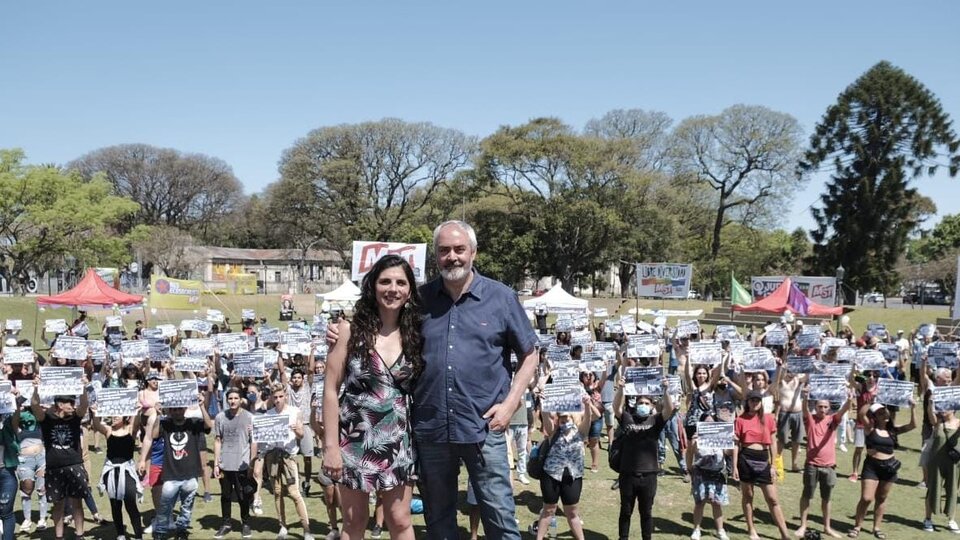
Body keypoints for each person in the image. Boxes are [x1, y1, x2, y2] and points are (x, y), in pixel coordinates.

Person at [326, 221, 539, 540]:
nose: (452, 257)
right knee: (438, 520)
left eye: (459, 249)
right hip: (430, 430)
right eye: (444, 251)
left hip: (483, 427)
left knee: (499, 516)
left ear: (473, 252)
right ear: (435, 257)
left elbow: (531, 354)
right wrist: (338, 331)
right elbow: (379, 319)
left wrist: (511, 404)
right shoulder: (419, 303)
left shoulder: (501, 297)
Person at [322, 254, 420, 540]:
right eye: (385, 281)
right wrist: (330, 447)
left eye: (401, 282)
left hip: (398, 441)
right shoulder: (348, 333)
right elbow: (330, 390)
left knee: (400, 520)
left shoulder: (416, 333)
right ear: (372, 286)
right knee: (354, 522)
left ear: (410, 290)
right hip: (354, 442)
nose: (393, 288)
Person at [139, 391, 214, 540]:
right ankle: (160, 533)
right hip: (171, 475)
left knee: (187, 507)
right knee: (165, 507)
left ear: (185, 408)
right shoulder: (165, 424)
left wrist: (202, 407)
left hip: (190, 473)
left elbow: (208, 426)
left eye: (179, 408)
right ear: (170, 410)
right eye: (173, 409)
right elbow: (154, 435)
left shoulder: (193, 423)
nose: (177, 412)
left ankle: (182, 530)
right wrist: (159, 415)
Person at [533, 394, 599, 540]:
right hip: (551, 475)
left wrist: (587, 404)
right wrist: (544, 404)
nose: (564, 421)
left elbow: (589, 419)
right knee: (548, 510)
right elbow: (546, 419)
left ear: (572, 417)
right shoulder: (553, 432)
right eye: (561, 418)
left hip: (573, 476)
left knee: (572, 512)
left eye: (566, 418)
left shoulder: (580, 432)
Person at [31, 377, 90, 540]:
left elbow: (84, 405)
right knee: (58, 504)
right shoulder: (47, 419)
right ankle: (59, 537)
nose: (73, 406)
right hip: (54, 468)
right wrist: (36, 388)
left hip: (75, 465)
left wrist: (84, 387)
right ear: (60, 404)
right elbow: (35, 405)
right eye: (70, 403)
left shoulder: (75, 418)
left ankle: (80, 535)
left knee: (77, 503)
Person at [613, 379, 673, 540]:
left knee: (646, 512)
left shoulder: (655, 421)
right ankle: (623, 538)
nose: (643, 405)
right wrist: (621, 389)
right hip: (628, 474)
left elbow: (669, 409)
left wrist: (666, 390)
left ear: (652, 406)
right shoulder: (627, 418)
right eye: (641, 402)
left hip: (649, 475)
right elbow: (616, 408)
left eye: (647, 403)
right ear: (635, 404)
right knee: (625, 511)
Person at [849, 401, 916, 539]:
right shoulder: (870, 428)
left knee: (882, 498)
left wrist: (913, 408)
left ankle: (876, 527)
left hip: (889, 467)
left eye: (884, 412)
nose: (884, 414)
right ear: (874, 417)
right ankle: (857, 526)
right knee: (867, 498)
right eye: (880, 413)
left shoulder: (893, 430)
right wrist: (870, 400)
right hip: (872, 467)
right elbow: (861, 413)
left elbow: (912, 425)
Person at [732, 389, 791, 540]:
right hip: (745, 458)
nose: (755, 403)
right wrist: (734, 466)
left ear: (761, 402)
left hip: (764, 459)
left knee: (772, 499)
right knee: (748, 495)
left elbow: (773, 443)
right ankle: (751, 529)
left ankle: (785, 534)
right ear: (748, 402)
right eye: (752, 400)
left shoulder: (769, 418)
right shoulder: (740, 420)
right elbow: (736, 445)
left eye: (757, 400)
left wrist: (773, 464)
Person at [795, 387, 854, 539]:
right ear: (815, 407)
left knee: (826, 498)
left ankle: (827, 527)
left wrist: (849, 398)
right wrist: (806, 397)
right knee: (806, 495)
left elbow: (844, 409)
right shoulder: (810, 419)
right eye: (820, 406)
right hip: (812, 465)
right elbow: (804, 409)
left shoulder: (833, 420)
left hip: (829, 466)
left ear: (829, 409)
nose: (822, 409)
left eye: (825, 407)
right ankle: (803, 525)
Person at [261, 383, 313, 540]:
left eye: (280, 396)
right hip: (272, 456)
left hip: (288, 456)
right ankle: (282, 526)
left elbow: (301, 434)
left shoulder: (294, 412)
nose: (278, 400)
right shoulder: (267, 415)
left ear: (285, 396)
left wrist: (296, 430)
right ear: (271, 397)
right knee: (277, 492)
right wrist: (255, 431)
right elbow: (263, 438)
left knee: (294, 493)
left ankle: (306, 529)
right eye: (275, 397)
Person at [91, 405, 144, 540]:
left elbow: (136, 423)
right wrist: (95, 412)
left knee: (130, 504)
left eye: (117, 415)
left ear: (125, 417)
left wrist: (137, 411)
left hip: (127, 471)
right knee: (115, 504)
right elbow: (97, 425)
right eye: (113, 415)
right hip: (111, 471)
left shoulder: (130, 429)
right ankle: (120, 534)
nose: (114, 417)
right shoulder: (109, 431)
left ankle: (138, 536)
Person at [213, 387, 255, 540]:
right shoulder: (219, 417)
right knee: (225, 495)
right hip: (225, 463)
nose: (232, 401)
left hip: (241, 464)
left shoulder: (249, 417)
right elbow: (217, 440)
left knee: (243, 495)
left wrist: (252, 463)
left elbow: (253, 442)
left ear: (241, 400)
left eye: (236, 398)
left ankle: (246, 523)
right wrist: (216, 464)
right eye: (230, 398)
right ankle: (226, 523)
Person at [922, 395, 960, 533]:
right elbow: (930, 414)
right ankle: (928, 519)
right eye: (941, 406)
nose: (943, 409)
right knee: (933, 489)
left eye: (947, 407)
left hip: (954, 462)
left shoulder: (958, 423)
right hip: (936, 462)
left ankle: (951, 519)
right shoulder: (938, 422)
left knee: (952, 490)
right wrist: (930, 403)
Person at [15, 401, 50, 533]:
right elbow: (14, 416)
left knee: (42, 489)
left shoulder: (40, 419)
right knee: (27, 488)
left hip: (41, 457)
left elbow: (46, 413)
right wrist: (18, 401)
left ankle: (42, 518)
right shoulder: (16, 420)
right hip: (24, 460)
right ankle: (27, 519)